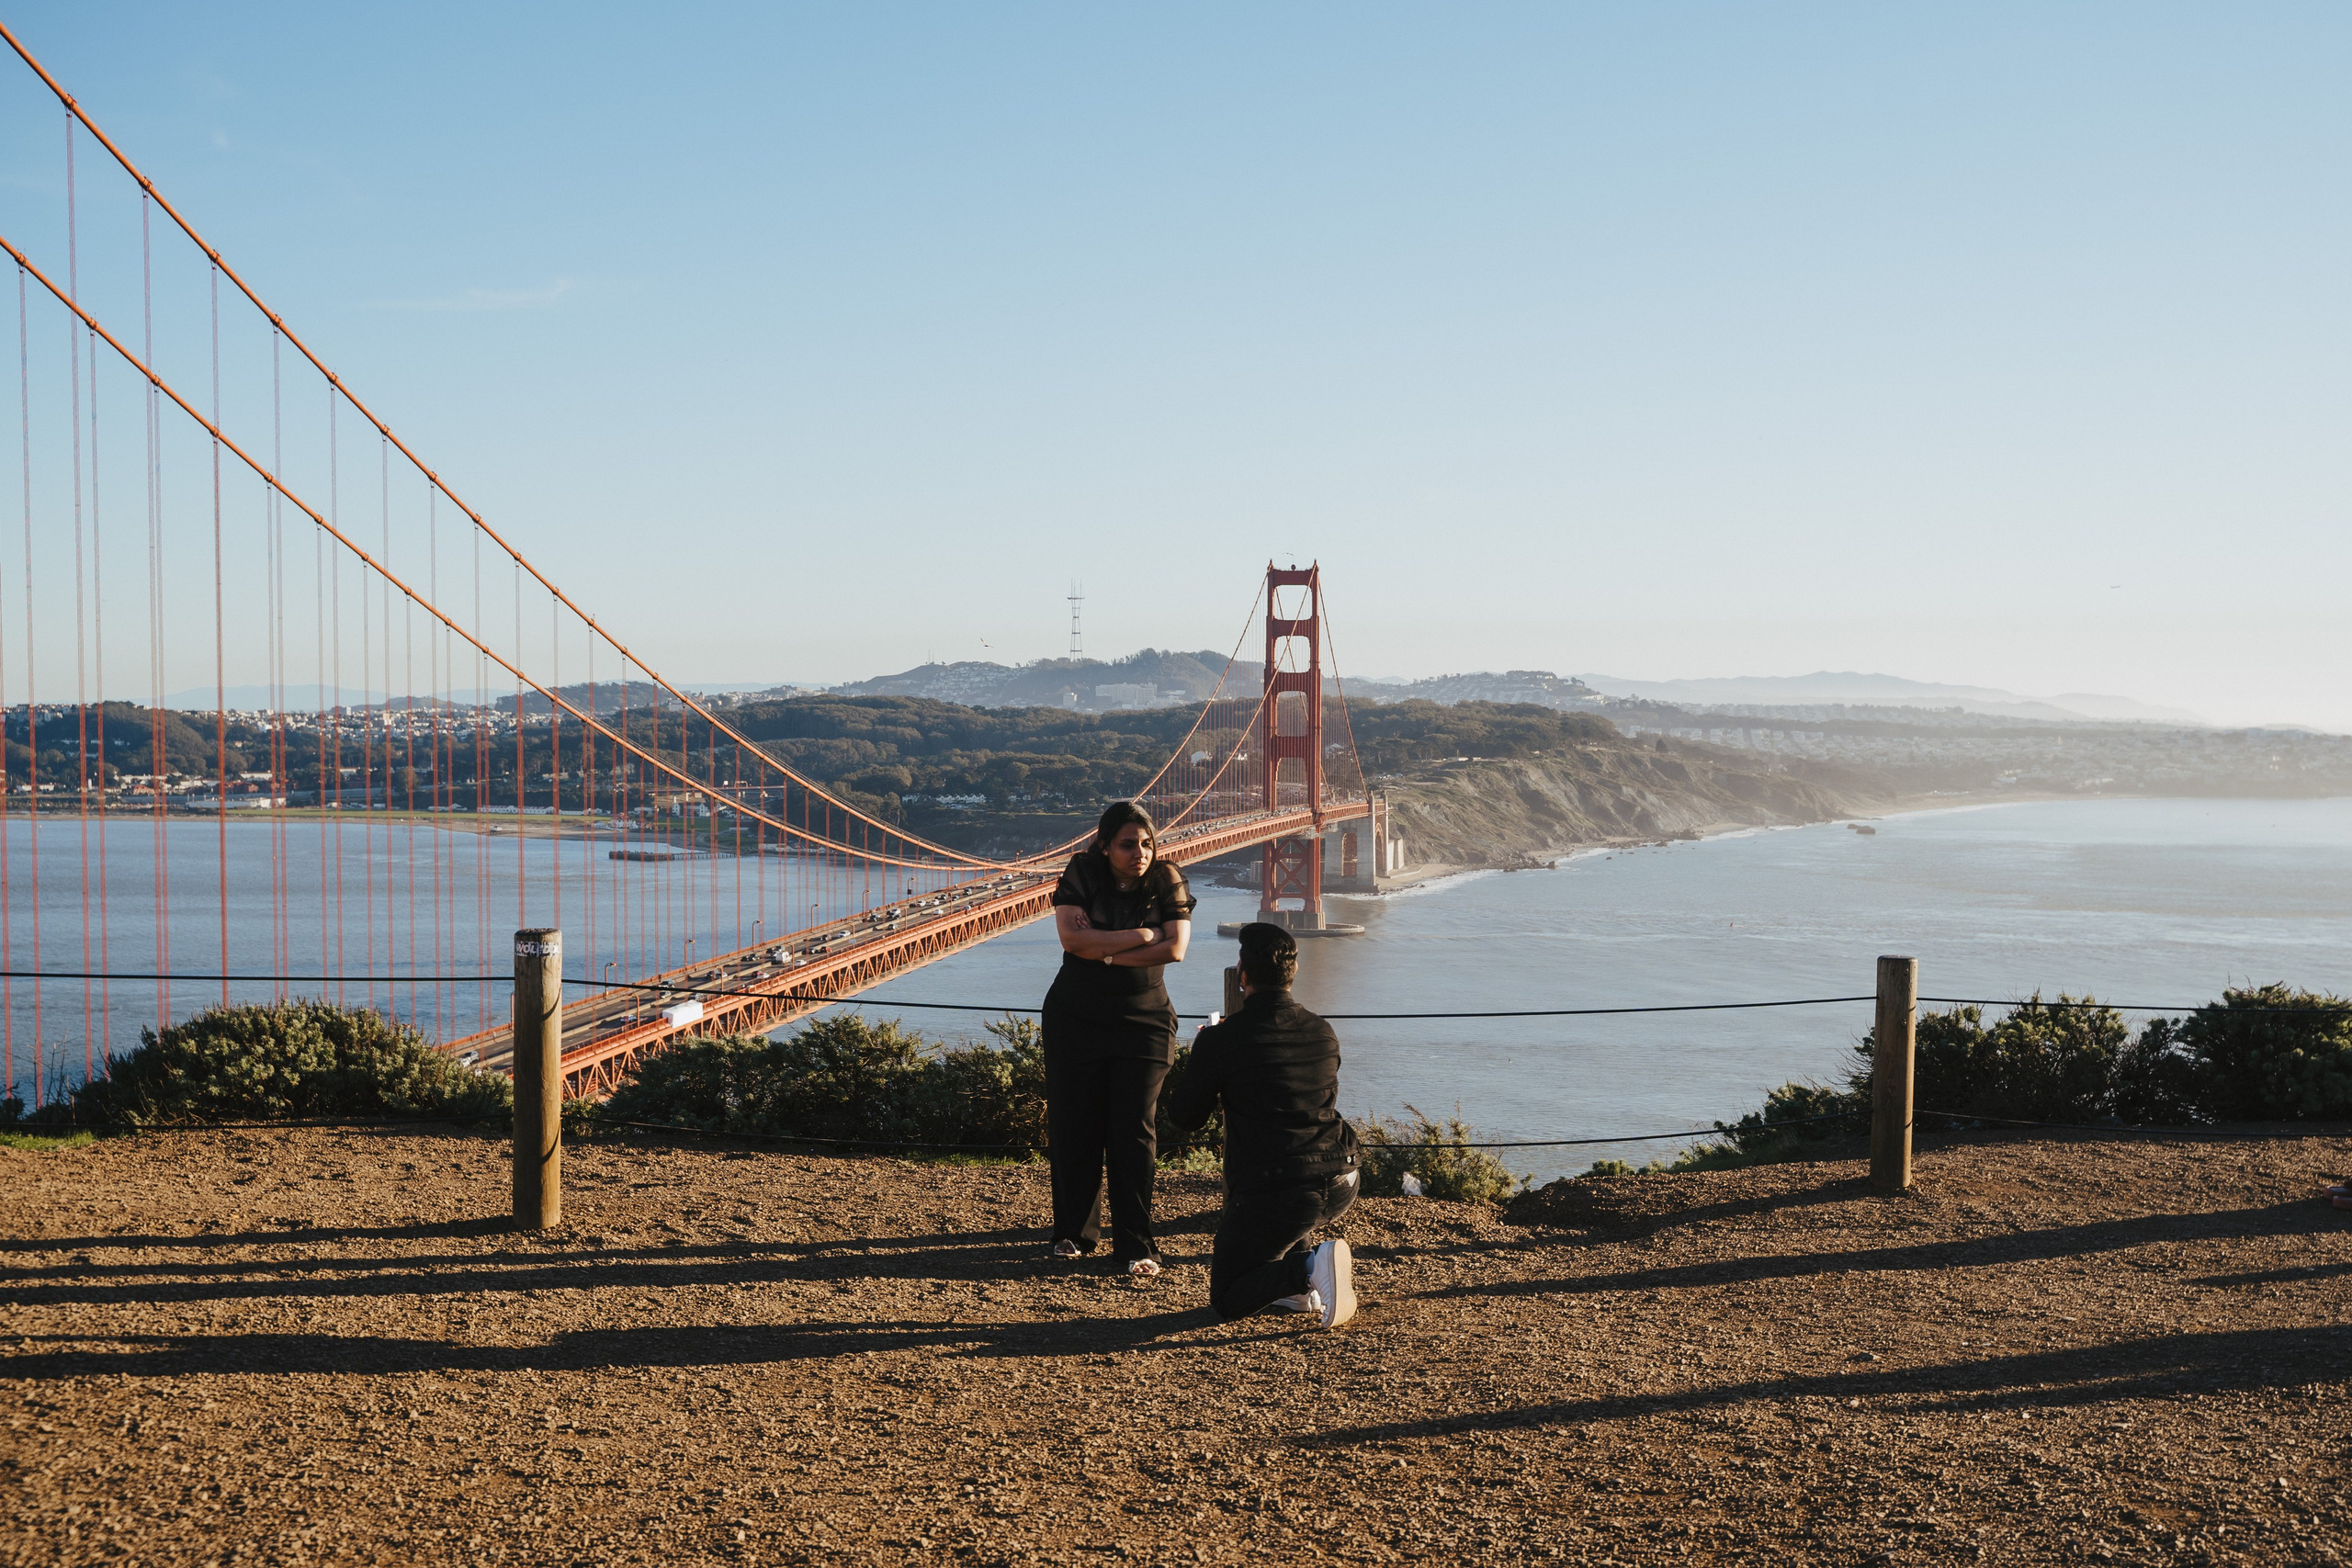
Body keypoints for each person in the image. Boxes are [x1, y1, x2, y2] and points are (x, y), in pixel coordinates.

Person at [1163, 921, 1361, 1329]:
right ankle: (1298, 1292)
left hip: (1280, 1190)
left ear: (1243, 977)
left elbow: (1185, 1117)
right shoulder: (1323, 1031)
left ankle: (1307, 1268)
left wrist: (1204, 1055)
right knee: (1289, 1207)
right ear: (1293, 973)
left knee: (1229, 1297)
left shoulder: (1222, 1039)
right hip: (1343, 1177)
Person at [1042, 801, 1195, 1275]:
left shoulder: (1167, 877)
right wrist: (1141, 935)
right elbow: (1071, 941)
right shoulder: (1083, 871)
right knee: (1075, 1126)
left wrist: (1104, 950)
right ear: (1105, 845)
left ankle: (1137, 1246)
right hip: (1076, 1016)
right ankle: (1073, 1234)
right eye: (1128, 844)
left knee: (1134, 1132)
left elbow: (1176, 948)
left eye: (1147, 843)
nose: (1141, 853)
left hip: (1144, 1021)